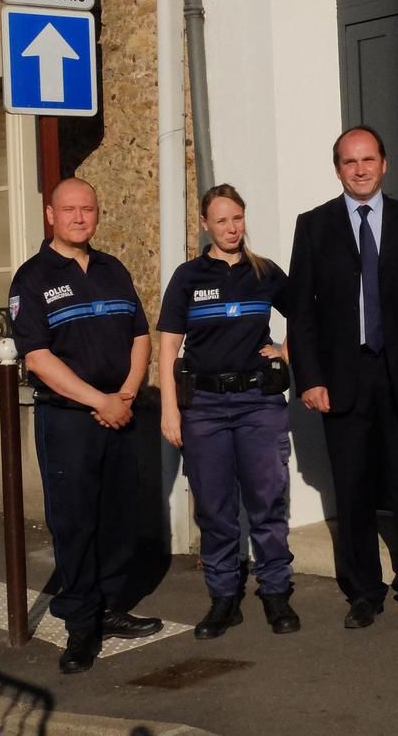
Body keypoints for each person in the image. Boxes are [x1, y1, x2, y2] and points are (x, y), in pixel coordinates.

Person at [287, 125, 398, 629]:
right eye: (349, 162)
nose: (360, 169)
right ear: (338, 170)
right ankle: (364, 591)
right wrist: (308, 377)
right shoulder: (312, 226)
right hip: (342, 376)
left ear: (385, 164)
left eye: (368, 160)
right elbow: (301, 313)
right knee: (352, 489)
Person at [8, 178, 161, 674]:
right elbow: (36, 357)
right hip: (69, 421)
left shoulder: (113, 269)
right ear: (50, 215)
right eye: (69, 210)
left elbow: (141, 336)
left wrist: (127, 394)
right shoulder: (31, 278)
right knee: (74, 523)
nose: (79, 217)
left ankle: (111, 606)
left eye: (88, 209)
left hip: (120, 413)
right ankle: (79, 626)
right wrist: (100, 400)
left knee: (120, 518)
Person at [157, 184, 299, 640]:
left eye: (237, 218)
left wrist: (284, 351)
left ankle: (275, 592)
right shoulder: (187, 277)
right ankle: (223, 599)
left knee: (267, 500)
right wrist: (169, 411)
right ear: (205, 225)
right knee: (215, 507)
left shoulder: (265, 273)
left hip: (259, 402)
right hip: (204, 407)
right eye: (221, 220)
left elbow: (307, 316)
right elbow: (168, 346)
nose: (231, 227)